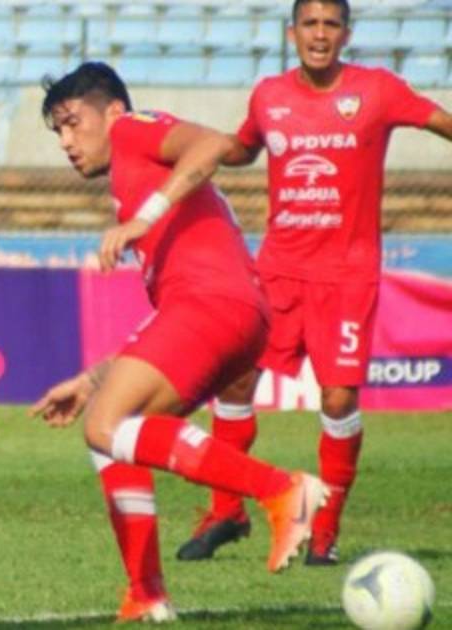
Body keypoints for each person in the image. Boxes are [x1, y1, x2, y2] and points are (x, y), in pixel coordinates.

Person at [30, 62, 329, 622]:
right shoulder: (131, 169)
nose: (67, 142)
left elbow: (212, 144)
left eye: (73, 123)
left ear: (112, 111)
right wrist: (91, 379)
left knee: (106, 425)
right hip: (228, 313)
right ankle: (146, 594)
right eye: (58, 132)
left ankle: (281, 490)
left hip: (212, 304)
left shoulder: (131, 129)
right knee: (114, 433)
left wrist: (144, 219)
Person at [176, 0, 452, 566]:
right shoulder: (269, 96)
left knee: (338, 396)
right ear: (293, 32)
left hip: (346, 275)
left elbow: (441, 121)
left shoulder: (377, 91)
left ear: (346, 33)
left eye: (331, 24)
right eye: (310, 24)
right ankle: (226, 511)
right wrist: (193, 148)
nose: (320, 34)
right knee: (235, 380)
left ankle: (323, 531)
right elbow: (244, 147)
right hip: (278, 270)